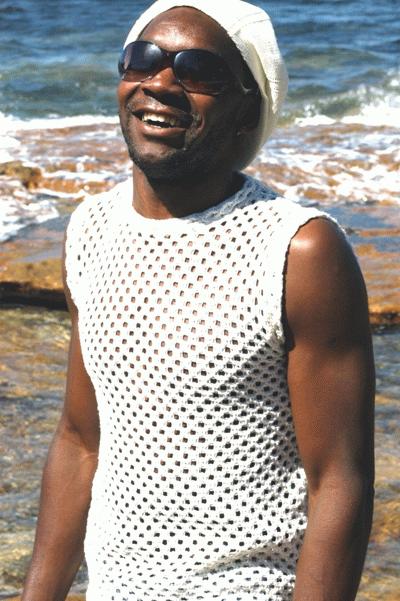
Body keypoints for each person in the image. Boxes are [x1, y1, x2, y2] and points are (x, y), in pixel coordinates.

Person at [22, 1, 375, 600]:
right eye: (142, 60)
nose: (161, 83)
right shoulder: (90, 230)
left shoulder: (298, 251)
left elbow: (339, 480)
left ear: (247, 110)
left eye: (199, 71)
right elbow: (81, 440)